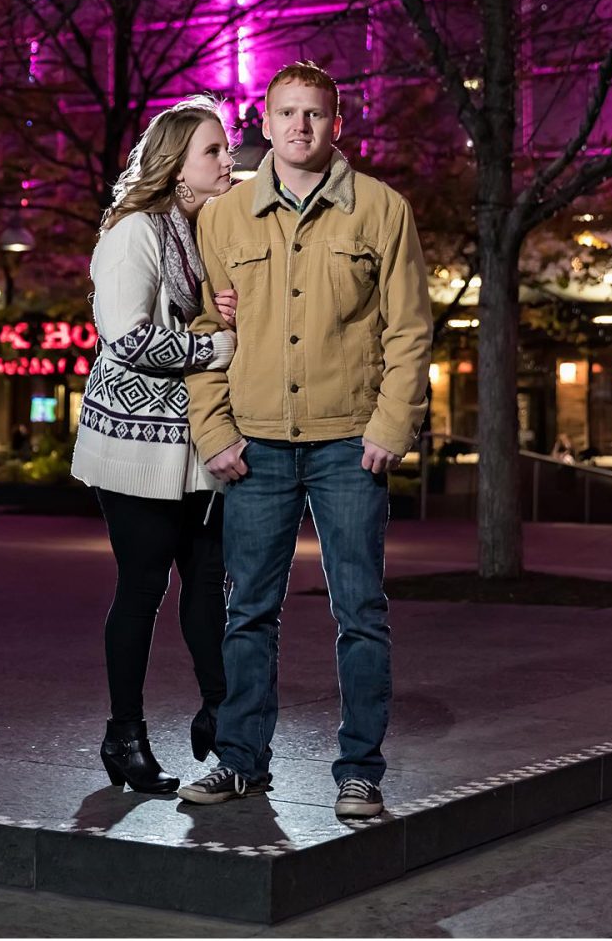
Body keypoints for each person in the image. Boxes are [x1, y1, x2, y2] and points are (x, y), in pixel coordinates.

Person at [178, 63, 433, 819]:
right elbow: (205, 331)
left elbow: (411, 329)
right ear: (265, 120)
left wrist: (392, 424)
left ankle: (360, 772)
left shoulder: (382, 211)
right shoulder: (223, 218)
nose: (300, 127)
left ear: (337, 124)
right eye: (287, 113)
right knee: (247, 610)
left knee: (360, 610)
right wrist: (213, 429)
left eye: (315, 114)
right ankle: (239, 762)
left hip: (349, 443)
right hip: (253, 444)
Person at [70, 95, 242, 794]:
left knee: (208, 587)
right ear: (176, 167)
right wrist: (216, 344)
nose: (228, 159)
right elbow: (129, 337)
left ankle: (220, 713)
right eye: (213, 151)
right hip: (135, 445)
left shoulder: (206, 232)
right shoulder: (134, 233)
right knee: (141, 589)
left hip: (199, 446)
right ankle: (124, 735)